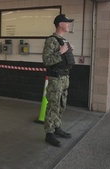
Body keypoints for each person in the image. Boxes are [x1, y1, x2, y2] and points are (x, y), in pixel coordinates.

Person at [42, 14, 75, 147]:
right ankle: (49, 134)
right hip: (55, 78)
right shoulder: (51, 40)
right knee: (53, 105)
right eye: (67, 23)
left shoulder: (64, 40)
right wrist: (61, 52)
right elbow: (46, 60)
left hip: (64, 77)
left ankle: (57, 128)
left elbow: (65, 59)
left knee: (62, 104)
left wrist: (69, 51)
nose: (68, 25)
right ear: (60, 24)